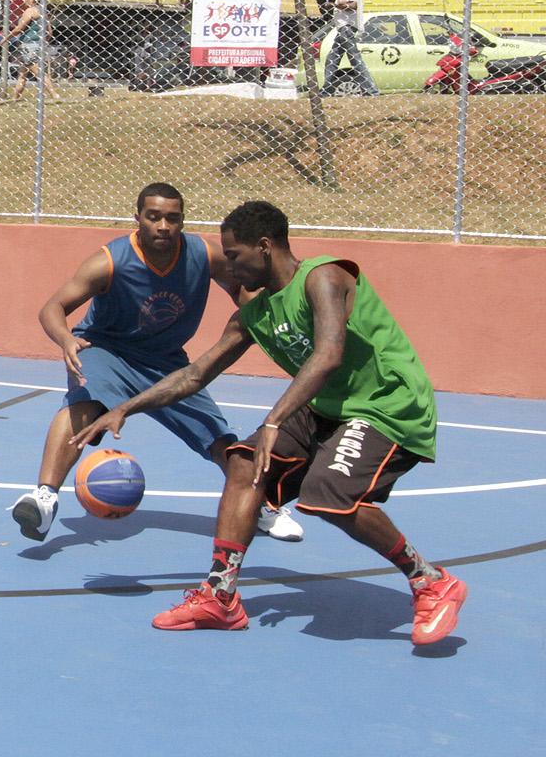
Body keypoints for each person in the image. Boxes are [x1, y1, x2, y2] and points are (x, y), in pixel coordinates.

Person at [73, 201, 466, 646]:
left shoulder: (324, 277)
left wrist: (275, 419)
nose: (229, 266)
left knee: (328, 496)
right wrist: (126, 406)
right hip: (326, 405)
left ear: (264, 247)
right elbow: (194, 374)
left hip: (386, 405)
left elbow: (328, 354)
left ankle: (430, 581)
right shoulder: (254, 314)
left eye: (234, 255)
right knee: (243, 464)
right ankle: (220, 596)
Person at [11, 184, 304, 545]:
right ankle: (44, 499)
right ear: (138, 219)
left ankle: (261, 505)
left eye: (172, 218)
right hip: (108, 350)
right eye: (154, 217)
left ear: (182, 220)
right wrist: (67, 340)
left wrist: (268, 315)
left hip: (167, 362)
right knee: (84, 401)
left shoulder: (201, 254)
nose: (163, 225)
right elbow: (52, 308)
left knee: (217, 437)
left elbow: (243, 289)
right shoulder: (111, 261)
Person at [322, 0, 378, 95]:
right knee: (332, 58)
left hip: (346, 25)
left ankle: (372, 90)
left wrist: (333, 5)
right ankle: (326, 90)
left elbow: (353, 5)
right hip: (344, 26)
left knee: (355, 59)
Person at [6, 1, 48, 101]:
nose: (24, 1)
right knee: (22, 74)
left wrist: (5, 39)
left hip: (28, 44)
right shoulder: (44, 13)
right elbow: (48, 32)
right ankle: (14, 98)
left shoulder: (30, 11)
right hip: (38, 43)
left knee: (38, 72)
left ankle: (54, 94)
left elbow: (20, 28)